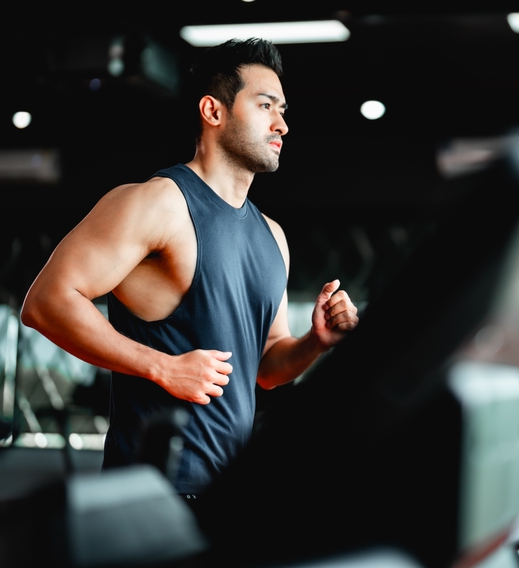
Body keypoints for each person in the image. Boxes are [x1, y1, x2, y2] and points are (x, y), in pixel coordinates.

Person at [21, 38, 360, 495]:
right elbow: (46, 303)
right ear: (213, 111)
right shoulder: (158, 203)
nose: (281, 124)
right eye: (265, 106)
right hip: (152, 495)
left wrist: (315, 342)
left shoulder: (272, 236)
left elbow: (265, 367)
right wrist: (162, 367)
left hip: (226, 497)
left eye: (282, 110)